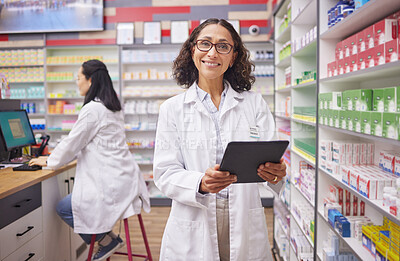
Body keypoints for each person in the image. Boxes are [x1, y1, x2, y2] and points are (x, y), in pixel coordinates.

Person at [153, 18, 287, 261]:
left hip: (243, 214)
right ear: (192, 49)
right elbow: (164, 172)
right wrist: (201, 183)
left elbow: (272, 162)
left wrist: (276, 172)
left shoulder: (253, 104)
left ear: (233, 56)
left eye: (223, 46)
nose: (212, 53)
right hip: (197, 212)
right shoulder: (172, 109)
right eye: (205, 44)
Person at [29, 59, 150, 261]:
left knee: (63, 208)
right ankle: (109, 238)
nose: (77, 83)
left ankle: (105, 240)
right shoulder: (113, 107)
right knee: (73, 204)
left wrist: (48, 161)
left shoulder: (93, 110)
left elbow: (72, 143)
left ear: (90, 80)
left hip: (111, 184)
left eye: (78, 78)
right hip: (125, 179)